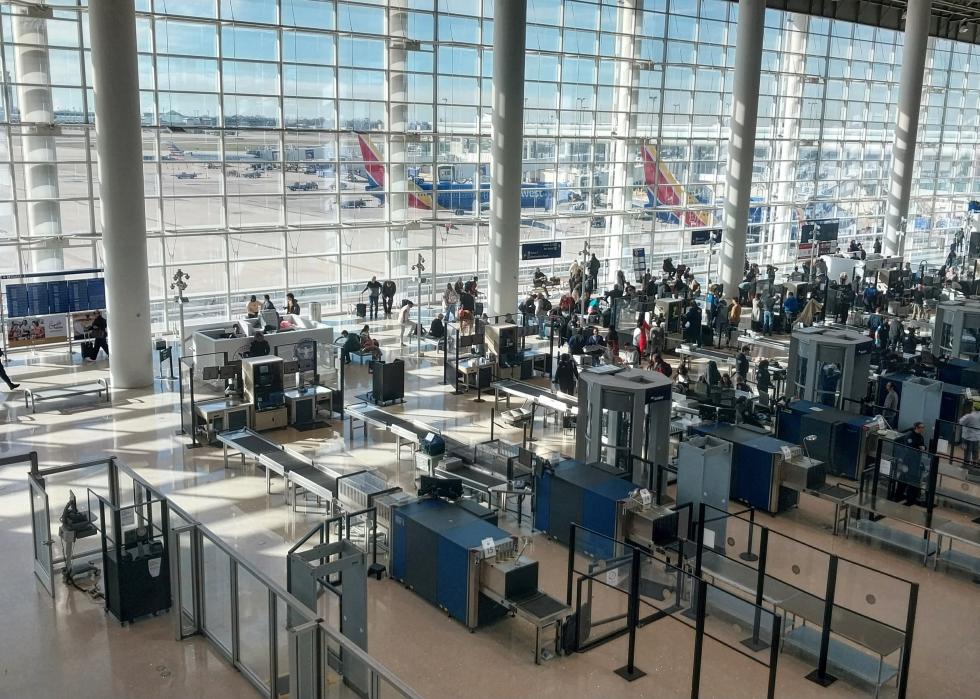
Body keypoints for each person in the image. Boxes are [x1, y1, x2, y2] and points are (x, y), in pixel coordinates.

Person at [896, 422, 926, 506]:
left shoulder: (920, 437)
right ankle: (899, 495)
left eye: (923, 427)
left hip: (916, 462)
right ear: (916, 427)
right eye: (921, 427)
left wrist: (923, 447)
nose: (922, 429)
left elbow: (923, 446)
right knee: (904, 478)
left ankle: (910, 498)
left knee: (912, 479)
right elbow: (910, 447)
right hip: (908, 461)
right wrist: (919, 447)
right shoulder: (910, 435)